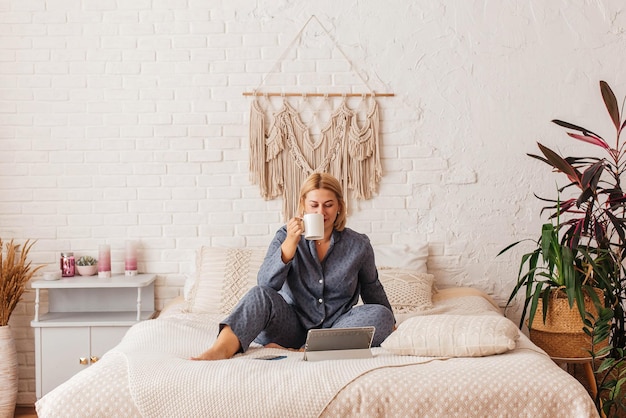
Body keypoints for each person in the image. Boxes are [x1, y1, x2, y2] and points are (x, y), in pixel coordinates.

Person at [191, 172, 395, 361]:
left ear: (340, 206)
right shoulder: (285, 236)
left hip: (337, 328)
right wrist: (290, 243)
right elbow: (266, 284)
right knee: (259, 294)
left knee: (381, 314)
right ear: (303, 205)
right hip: (290, 326)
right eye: (314, 205)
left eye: (328, 205)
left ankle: (309, 349)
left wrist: (389, 322)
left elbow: (372, 288)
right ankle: (220, 349)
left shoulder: (358, 244)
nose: (321, 212)